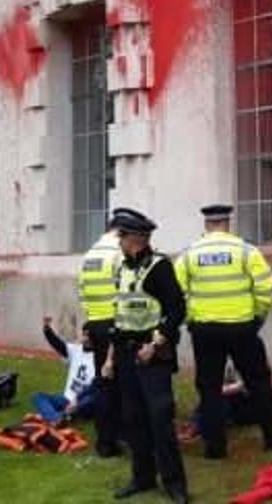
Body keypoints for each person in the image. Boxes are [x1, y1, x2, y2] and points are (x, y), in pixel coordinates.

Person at [174, 204, 272, 460]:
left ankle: (214, 447)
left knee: (209, 388)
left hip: (205, 329)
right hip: (242, 327)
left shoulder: (189, 254)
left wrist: (191, 318)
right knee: (258, 382)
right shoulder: (245, 250)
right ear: (227, 223)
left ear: (207, 224)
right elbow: (265, 287)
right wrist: (258, 317)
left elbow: (177, 293)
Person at [103, 209, 189, 503]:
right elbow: (120, 315)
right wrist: (110, 359)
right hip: (126, 353)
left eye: (122, 237)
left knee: (160, 418)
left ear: (136, 239)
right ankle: (142, 477)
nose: (119, 242)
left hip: (152, 355)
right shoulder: (122, 268)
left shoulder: (159, 267)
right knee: (133, 419)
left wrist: (155, 343)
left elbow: (177, 310)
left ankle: (174, 483)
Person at [78, 208, 132, 458]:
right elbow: (126, 291)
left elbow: (82, 292)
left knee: (103, 382)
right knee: (120, 384)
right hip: (116, 323)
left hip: (96, 323)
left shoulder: (90, 255)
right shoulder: (118, 254)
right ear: (122, 232)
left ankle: (105, 440)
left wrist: (90, 322)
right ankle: (117, 437)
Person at [33, 315, 97, 425]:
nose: (86, 338)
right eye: (84, 334)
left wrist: (76, 401)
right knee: (38, 396)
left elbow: (94, 387)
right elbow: (57, 344)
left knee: (92, 398)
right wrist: (47, 329)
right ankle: (57, 418)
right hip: (66, 399)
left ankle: (62, 415)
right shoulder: (75, 350)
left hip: (82, 401)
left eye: (89, 336)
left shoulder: (100, 357)